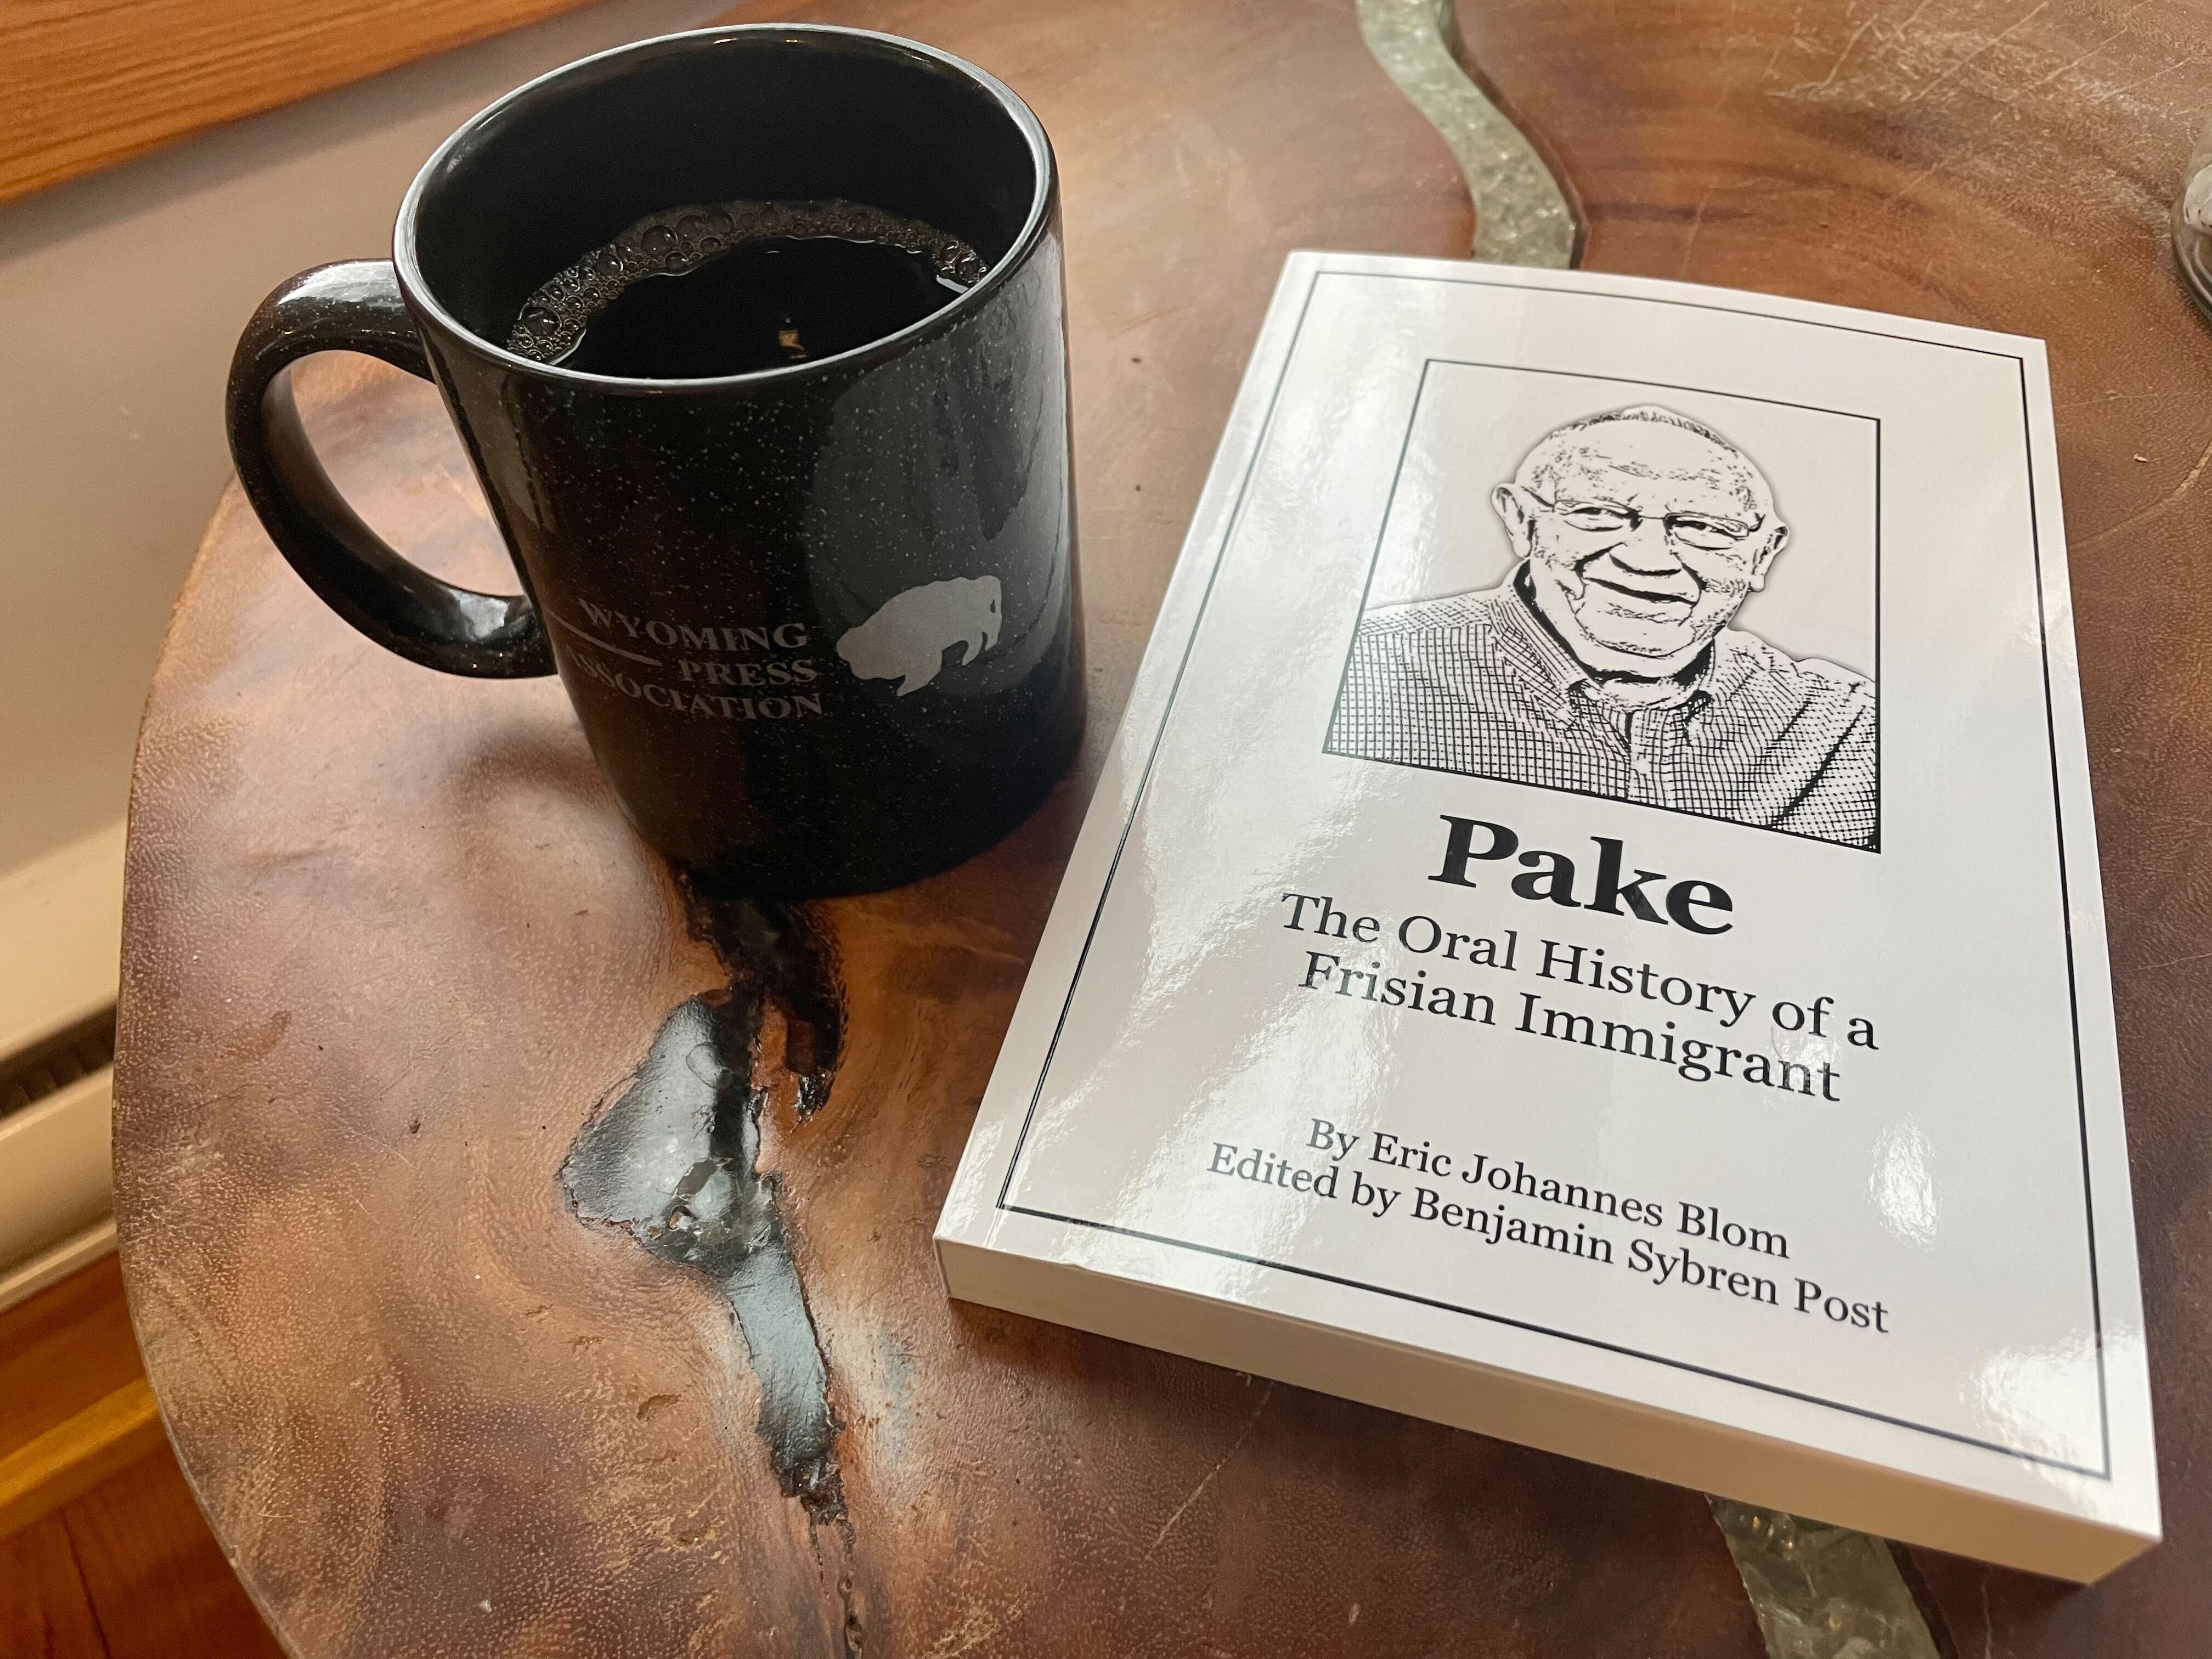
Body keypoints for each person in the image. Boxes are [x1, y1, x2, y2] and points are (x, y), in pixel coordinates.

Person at [1328, 404, 1876, 849]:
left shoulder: (1847, 729)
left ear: (1762, 556)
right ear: (1521, 520)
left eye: (1706, 528)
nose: (1650, 560)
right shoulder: (1361, 672)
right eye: (1599, 514)